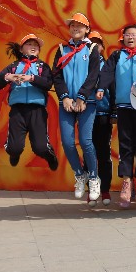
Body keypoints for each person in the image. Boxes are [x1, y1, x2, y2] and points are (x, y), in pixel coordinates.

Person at [98, 24, 136, 207]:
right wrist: (101, 88)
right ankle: (127, 181)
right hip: (123, 105)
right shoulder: (116, 56)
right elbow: (106, 73)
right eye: (127, 35)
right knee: (125, 144)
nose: (130, 37)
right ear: (123, 38)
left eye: (134, 35)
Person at [52, 12, 102, 205]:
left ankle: (94, 177)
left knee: (85, 141)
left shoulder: (92, 49)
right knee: (67, 142)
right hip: (66, 103)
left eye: (79, 26)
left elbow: (94, 75)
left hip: (86, 102)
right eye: (72, 25)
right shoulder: (61, 49)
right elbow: (57, 75)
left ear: (87, 29)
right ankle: (80, 174)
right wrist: (64, 97)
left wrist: (82, 96)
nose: (75, 28)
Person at [0, 34, 59, 171]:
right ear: (21, 49)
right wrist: (9, 77)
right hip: (18, 110)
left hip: (37, 110)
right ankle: (13, 152)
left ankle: (49, 156)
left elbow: (48, 84)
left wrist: (32, 78)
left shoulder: (43, 66)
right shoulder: (14, 66)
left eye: (36, 45)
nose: (33, 47)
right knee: (14, 148)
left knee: (40, 147)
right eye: (29, 44)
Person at [89, 31, 114, 206]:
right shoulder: (82, 64)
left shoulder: (108, 66)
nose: (94, 46)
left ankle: (105, 190)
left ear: (102, 48)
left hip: (104, 114)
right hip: (86, 113)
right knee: (89, 152)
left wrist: (113, 112)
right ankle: (91, 190)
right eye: (91, 43)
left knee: (104, 153)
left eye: (97, 43)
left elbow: (113, 89)